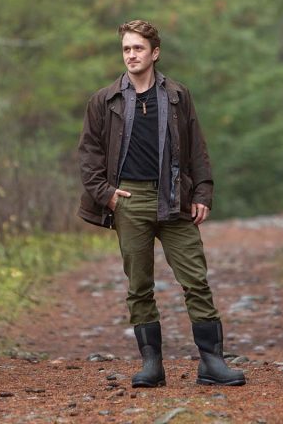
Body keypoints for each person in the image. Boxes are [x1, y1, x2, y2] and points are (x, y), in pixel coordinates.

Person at [77, 19, 245, 387]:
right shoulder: (104, 101)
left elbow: (197, 148)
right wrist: (105, 194)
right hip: (128, 200)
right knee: (139, 285)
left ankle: (212, 362)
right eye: (126, 49)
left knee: (195, 279)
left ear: (155, 53)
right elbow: (88, 155)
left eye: (138, 48)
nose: (131, 55)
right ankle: (151, 365)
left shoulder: (177, 95)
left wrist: (202, 193)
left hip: (173, 198)